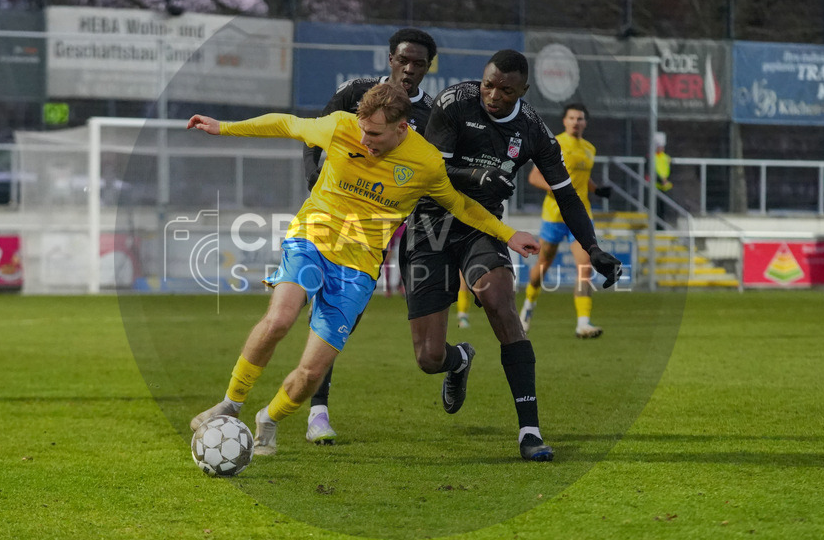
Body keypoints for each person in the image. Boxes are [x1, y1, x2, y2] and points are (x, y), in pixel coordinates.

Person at [187, 82, 540, 457]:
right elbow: (287, 124)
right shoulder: (341, 126)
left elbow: (459, 204)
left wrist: (508, 233)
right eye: (363, 129)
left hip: (357, 269)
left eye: (374, 133)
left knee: (311, 372)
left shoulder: (425, 162)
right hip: (312, 238)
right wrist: (223, 126)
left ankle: (269, 419)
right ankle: (232, 401)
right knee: (279, 320)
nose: (365, 139)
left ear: (402, 128)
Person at [400, 50, 622, 462]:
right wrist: (474, 174)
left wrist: (593, 247)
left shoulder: (533, 129)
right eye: (488, 84)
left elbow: (567, 195)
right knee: (429, 358)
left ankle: (530, 431)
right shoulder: (455, 102)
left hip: (483, 228)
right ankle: (459, 359)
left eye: (505, 89)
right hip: (429, 227)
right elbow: (428, 172)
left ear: (523, 90)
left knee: (500, 301)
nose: (493, 95)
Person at [301, 28, 437, 445]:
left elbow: (434, 174)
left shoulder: (432, 116)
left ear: (429, 67)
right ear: (390, 58)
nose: (409, 69)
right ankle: (316, 412)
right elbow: (311, 133)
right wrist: (312, 178)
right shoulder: (357, 91)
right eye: (403, 60)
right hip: (332, 218)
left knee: (353, 321)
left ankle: (454, 358)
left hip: (383, 231)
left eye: (419, 63)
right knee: (315, 308)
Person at [519, 103, 611, 338]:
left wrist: (597, 190)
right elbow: (534, 176)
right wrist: (557, 190)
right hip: (555, 216)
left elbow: (583, 177)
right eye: (572, 118)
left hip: (580, 217)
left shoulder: (590, 148)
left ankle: (583, 323)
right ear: (564, 121)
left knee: (585, 268)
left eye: (580, 118)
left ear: (585, 123)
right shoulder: (554, 143)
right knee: (543, 266)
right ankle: (528, 306)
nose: (576, 122)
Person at [653, 132, 673, 226]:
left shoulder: (666, 157)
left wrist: (666, 180)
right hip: (656, 185)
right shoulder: (653, 157)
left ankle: (662, 225)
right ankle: (657, 225)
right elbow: (654, 170)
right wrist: (661, 180)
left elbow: (669, 169)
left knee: (664, 208)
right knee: (656, 207)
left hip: (665, 186)